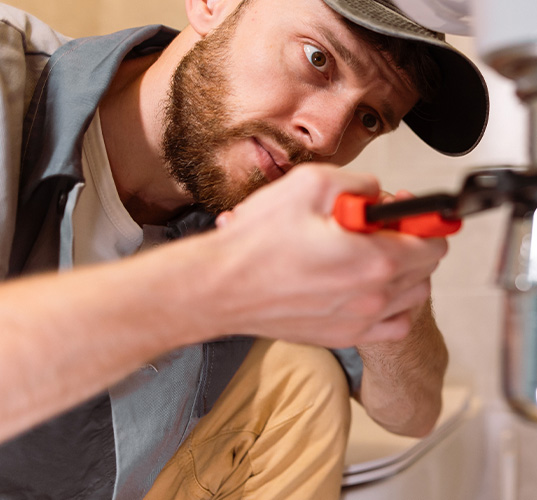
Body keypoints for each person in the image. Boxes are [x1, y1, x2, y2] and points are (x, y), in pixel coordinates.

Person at [0, 0, 488, 497]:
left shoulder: (268, 198)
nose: (324, 137)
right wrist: (224, 281)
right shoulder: (7, 77)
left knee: (300, 378)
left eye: (367, 117)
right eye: (318, 59)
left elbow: (412, 413)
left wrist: (393, 301)